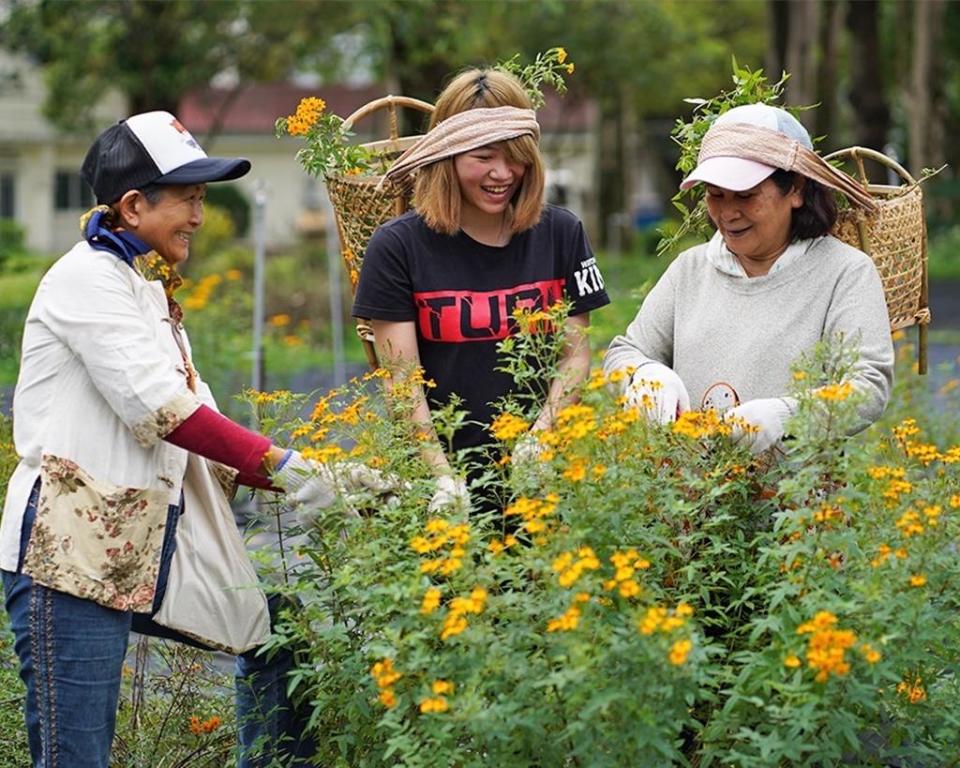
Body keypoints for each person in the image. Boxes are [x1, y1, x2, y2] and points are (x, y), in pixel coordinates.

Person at [0, 111, 392, 768]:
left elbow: (208, 432)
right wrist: (295, 470)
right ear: (132, 204)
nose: (199, 215)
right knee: (76, 758)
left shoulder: (145, 289)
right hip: (69, 558)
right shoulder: (86, 279)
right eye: (187, 197)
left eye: (201, 198)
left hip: (149, 543)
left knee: (277, 634)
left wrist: (340, 478)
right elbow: (170, 414)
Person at [353, 68, 610, 511]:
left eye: (515, 156)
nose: (503, 173)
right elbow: (403, 382)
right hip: (439, 480)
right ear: (446, 156)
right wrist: (441, 479)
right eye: (484, 157)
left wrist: (543, 437)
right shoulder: (397, 247)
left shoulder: (561, 234)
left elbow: (575, 354)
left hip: (545, 479)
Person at [604, 104, 894, 453]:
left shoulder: (843, 273)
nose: (727, 213)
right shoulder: (691, 270)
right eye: (715, 195)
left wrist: (786, 417)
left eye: (745, 195)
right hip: (686, 498)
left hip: (796, 501)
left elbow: (867, 386)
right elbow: (625, 352)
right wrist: (644, 376)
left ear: (797, 189)